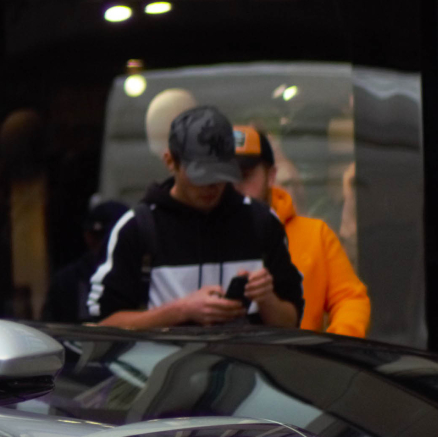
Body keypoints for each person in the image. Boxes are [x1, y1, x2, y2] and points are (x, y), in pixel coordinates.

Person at [89, 104, 302, 330]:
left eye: (220, 174)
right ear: (171, 162)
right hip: (163, 364)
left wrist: (267, 299)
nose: (211, 186)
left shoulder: (261, 222)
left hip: (247, 362)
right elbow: (103, 327)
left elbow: (291, 321)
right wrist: (182, 310)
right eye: (200, 176)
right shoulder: (137, 228)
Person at [235, 125, 370, 337]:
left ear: (271, 176)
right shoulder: (204, 232)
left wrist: (335, 350)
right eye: (225, 176)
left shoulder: (315, 235)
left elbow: (350, 299)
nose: (235, 186)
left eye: (245, 175)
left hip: (302, 365)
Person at [40, 197, 127, 323]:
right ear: (87, 236)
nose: (105, 245)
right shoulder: (67, 281)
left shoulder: (140, 275)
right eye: (97, 236)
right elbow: (51, 326)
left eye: (114, 238)